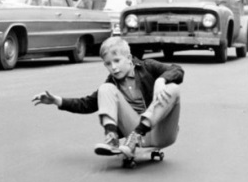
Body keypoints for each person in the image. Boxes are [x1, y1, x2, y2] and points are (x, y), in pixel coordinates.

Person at [32, 37, 184, 159]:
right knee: (105, 89)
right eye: (108, 64)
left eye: (117, 61)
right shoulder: (111, 82)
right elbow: (87, 104)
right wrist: (56, 100)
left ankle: (137, 134)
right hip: (133, 135)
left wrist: (160, 80)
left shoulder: (147, 67)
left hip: (162, 131)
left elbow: (177, 70)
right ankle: (112, 139)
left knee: (174, 88)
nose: (113, 67)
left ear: (129, 58)